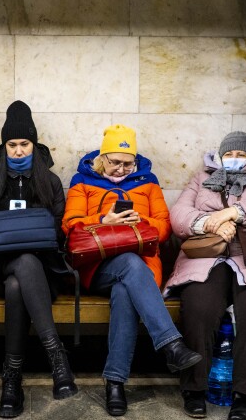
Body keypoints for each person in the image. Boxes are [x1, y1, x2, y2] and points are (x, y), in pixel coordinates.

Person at [62, 124, 202, 416]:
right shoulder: (82, 181)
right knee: (128, 265)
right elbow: (69, 225)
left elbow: (165, 227)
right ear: (102, 159)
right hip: (96, 266)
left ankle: (115, 383)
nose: (121, 168)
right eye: (115, 162)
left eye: (128, 163)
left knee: (127, 285)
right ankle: (171, 345)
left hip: (141, 265)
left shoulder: (148, 182)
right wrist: (105, 219)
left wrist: (142, 224)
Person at [163, 131, 246, 420]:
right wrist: (209, 223)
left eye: (241, 155)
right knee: (198, 305)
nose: (234, 159)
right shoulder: (201, 178)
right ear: (220, 156)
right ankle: (194, 390)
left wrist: (234, 212)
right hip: (206, 256)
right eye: (229, 155)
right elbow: (179, 214)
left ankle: (245, 396)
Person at [0, 101, 78, 418]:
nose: (18, 150)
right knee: (19, 269)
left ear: (34, 144)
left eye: (24, 144)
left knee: (22, 276)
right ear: (4, 146)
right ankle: (56, 357)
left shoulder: (50, 181)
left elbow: (61, 230)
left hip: (44, 271)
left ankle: (12, 380)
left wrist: (33, 237)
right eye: (12, 144)